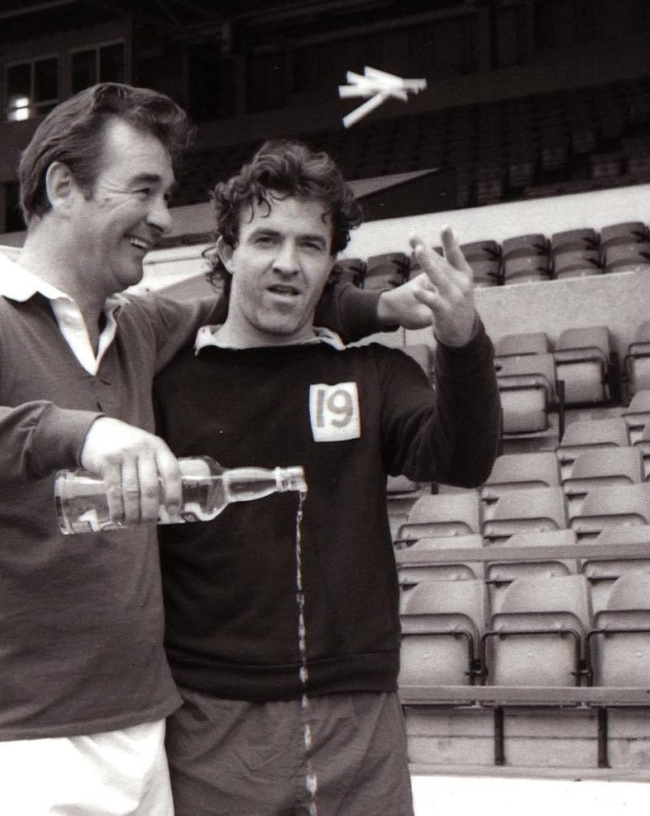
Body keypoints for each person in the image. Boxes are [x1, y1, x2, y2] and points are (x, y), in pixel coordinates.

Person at [0, 84, 430, 812]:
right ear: (63, 187)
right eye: (145, 189)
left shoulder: (135, 328)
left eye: (167, 194)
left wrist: (376, 307)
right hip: (6, 742)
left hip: (138, 727)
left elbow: (256, 292)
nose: (165, 218)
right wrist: (85, 434)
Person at [153, 139, 502, 815]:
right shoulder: (165, 385)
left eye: (310, 246)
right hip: (213, 722)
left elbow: (462, 459)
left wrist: (462, 342)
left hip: (359, 719)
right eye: (266, 239)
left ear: (331, 266)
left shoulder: (370, 373)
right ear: (226, 252)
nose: (288, 263)